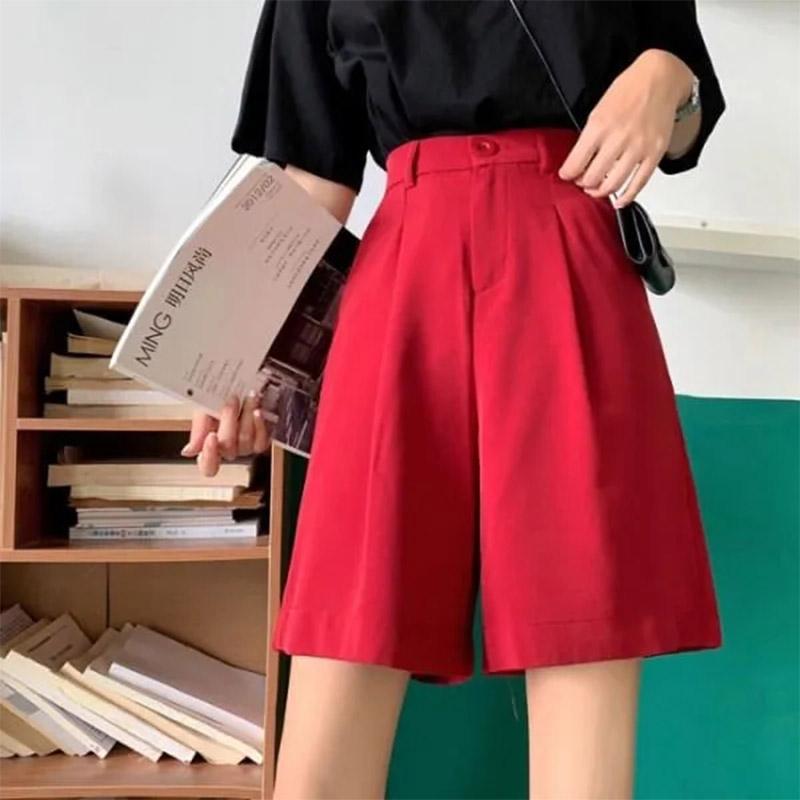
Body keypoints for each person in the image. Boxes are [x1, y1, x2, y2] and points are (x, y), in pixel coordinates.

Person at [181, 1, 726, 797]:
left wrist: (666, 78)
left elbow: (683, 121)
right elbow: (312, 179)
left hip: (570, 262)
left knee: (583, 642)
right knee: (345, 640)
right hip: (404, 280)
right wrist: (227, 347)